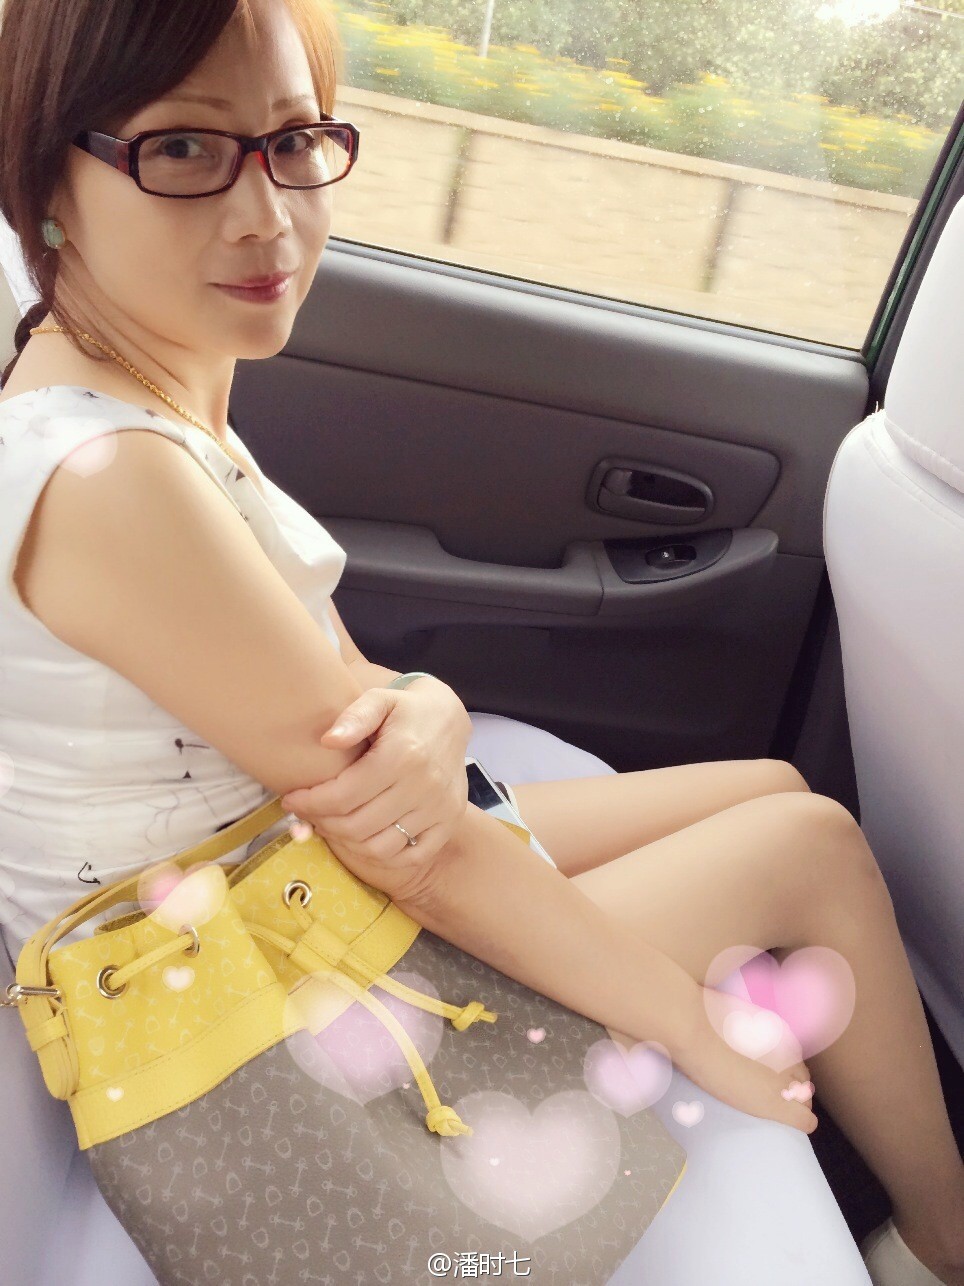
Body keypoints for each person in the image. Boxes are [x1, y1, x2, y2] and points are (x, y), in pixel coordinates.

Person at [0, 1, 961, 1283]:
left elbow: (349, 699)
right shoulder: (110, 476)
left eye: (295, 141)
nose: (266, 213)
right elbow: (423, 850)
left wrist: (430, 705)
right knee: (812, 846)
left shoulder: (144, 390)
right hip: (255, 1015)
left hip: (286, 883)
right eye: (183, 149)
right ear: (45, 184)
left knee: (773, 786)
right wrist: (689, 1026)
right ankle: (946, 1241)